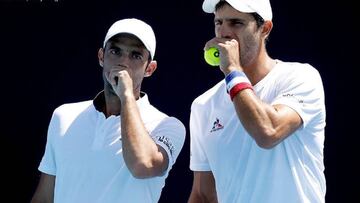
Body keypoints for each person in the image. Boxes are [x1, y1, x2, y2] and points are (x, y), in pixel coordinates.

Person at [30, 18, 186, 203]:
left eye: (135, 55)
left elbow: (142, 165)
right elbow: (45, 197)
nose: (123, 63)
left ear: (149, 69)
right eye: (115, 51)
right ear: (101, 57)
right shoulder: (63, 116)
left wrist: (126, 95)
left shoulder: (168, 126)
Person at [188, 0, 326, 202]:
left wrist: (233, 70)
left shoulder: (301, 77)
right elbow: (203, 195)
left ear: (265, 29)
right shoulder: (203, 105)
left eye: (236, 23)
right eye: (219, 23)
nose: (224, 33)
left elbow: (268, 132)